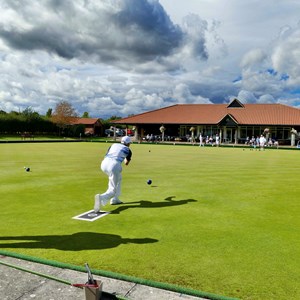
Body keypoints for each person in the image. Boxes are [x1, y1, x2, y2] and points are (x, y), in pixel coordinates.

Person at [94, 136, 132, 212]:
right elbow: (126, 163)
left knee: (119, 178)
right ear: (128, 143)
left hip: (104, 164)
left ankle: (115, 199)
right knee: (112, 190)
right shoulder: (128, 150)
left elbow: (108, 154)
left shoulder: (113, 145)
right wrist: (125, 157)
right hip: (114, 166)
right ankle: (101, 197)